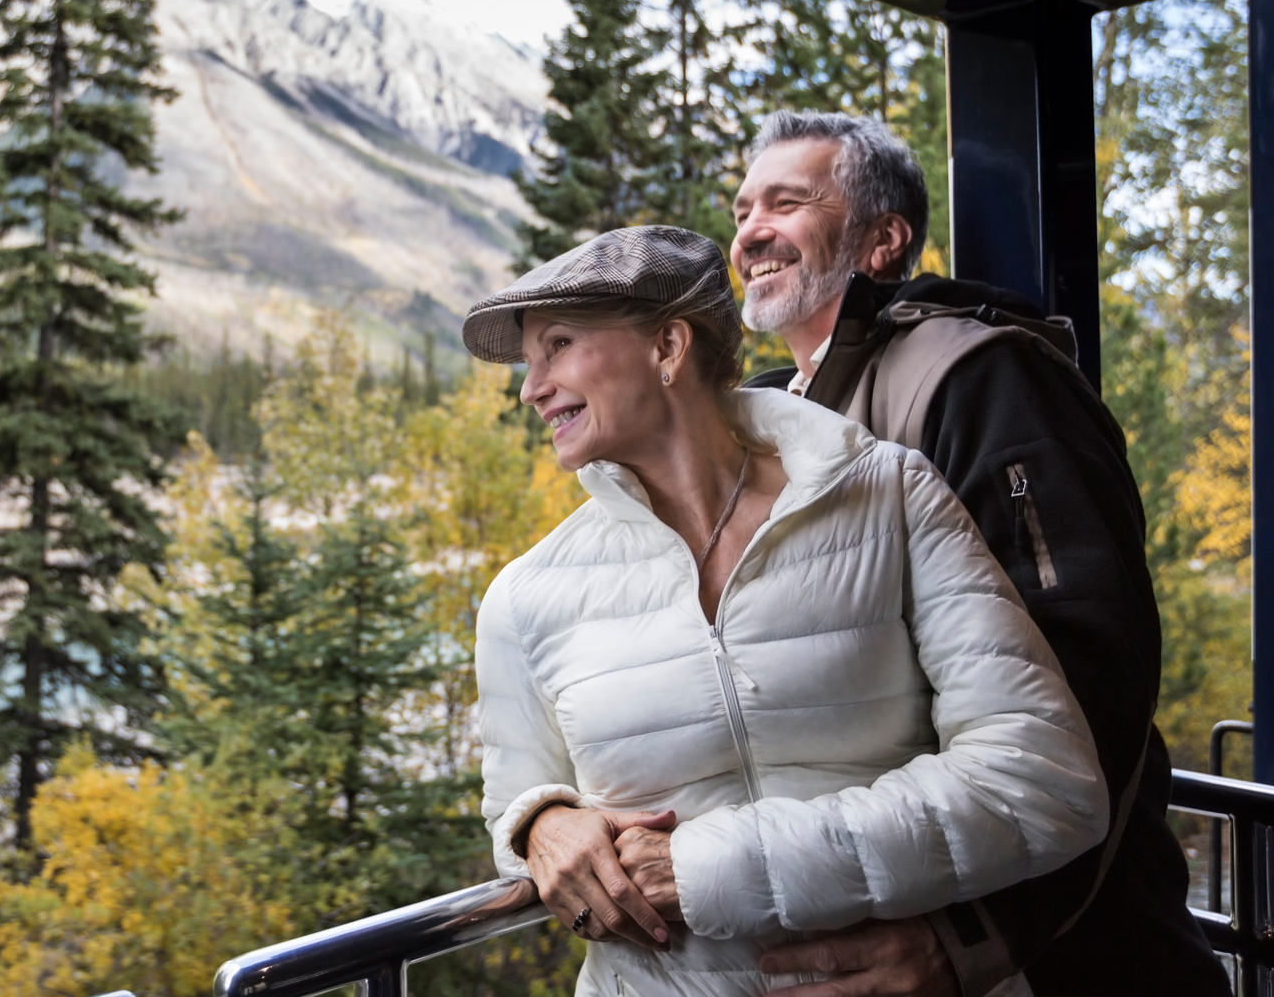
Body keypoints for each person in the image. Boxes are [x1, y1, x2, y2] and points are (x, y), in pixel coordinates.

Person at [463, 225, 1109, 997]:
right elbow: (514, 808)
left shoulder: (891, 498)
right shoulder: (526, 595)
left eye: (558, 346)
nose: (532, 387)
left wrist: (712, 868)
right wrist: (542, 824)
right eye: (530, 363)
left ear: (668, 346)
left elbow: (1045, 778)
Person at [730, 110, 1232, 996]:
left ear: (884, 241)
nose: (750, 231)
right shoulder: (776, 417)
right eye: (740, 211)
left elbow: (1089, 671)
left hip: (1065, 953)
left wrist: (979, 934)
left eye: (787, 202)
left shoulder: (979, 375)